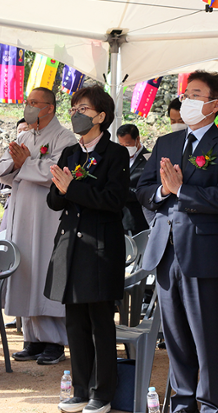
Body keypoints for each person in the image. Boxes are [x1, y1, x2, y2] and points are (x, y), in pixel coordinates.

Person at [137, 70, 218, 413]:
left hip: (203, 251)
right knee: (175, 338)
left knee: (205, 338)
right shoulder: (167, 142)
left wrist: (182, 190)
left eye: (195, 95)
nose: (186, 101)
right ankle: (183, 403)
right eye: (186, 95)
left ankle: (212, 405)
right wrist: (162, 190)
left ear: (214, 104)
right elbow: (141, 188)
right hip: (165, 251)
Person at [45, 85, 129, 413]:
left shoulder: (115, 154)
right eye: (75, 109)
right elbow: (54, 203)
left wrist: (74, 188)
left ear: (101, 116)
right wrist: (60, 187)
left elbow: (112, 201)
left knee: (100, 325)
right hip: (69, 248)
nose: (77, 115)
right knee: (75, 324)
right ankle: (79, 389)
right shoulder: (70, 153)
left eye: (84, 110)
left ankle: (102, 393)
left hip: (99, 249)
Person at [0, 87, 76, 364]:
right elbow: (4, 170)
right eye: (26, 102)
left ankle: (55, 342)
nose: (27, 107)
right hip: (22, 211)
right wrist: (19, 164)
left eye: (33, 103)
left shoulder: (65, 138)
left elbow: (56, 172)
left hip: (47, 214)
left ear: (50, 108)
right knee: (27, 270)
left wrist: (26, 163)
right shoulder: (23, 135)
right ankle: (32, 338)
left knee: (45, 270)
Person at [117, 124, 150, 235]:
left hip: (136, 219)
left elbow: (146, 191)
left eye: (128, 144)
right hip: (118, 218)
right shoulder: (118, 157)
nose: (125, 148)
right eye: (121, 144)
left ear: (137, 139)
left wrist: (120, 191)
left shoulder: (149, 159)